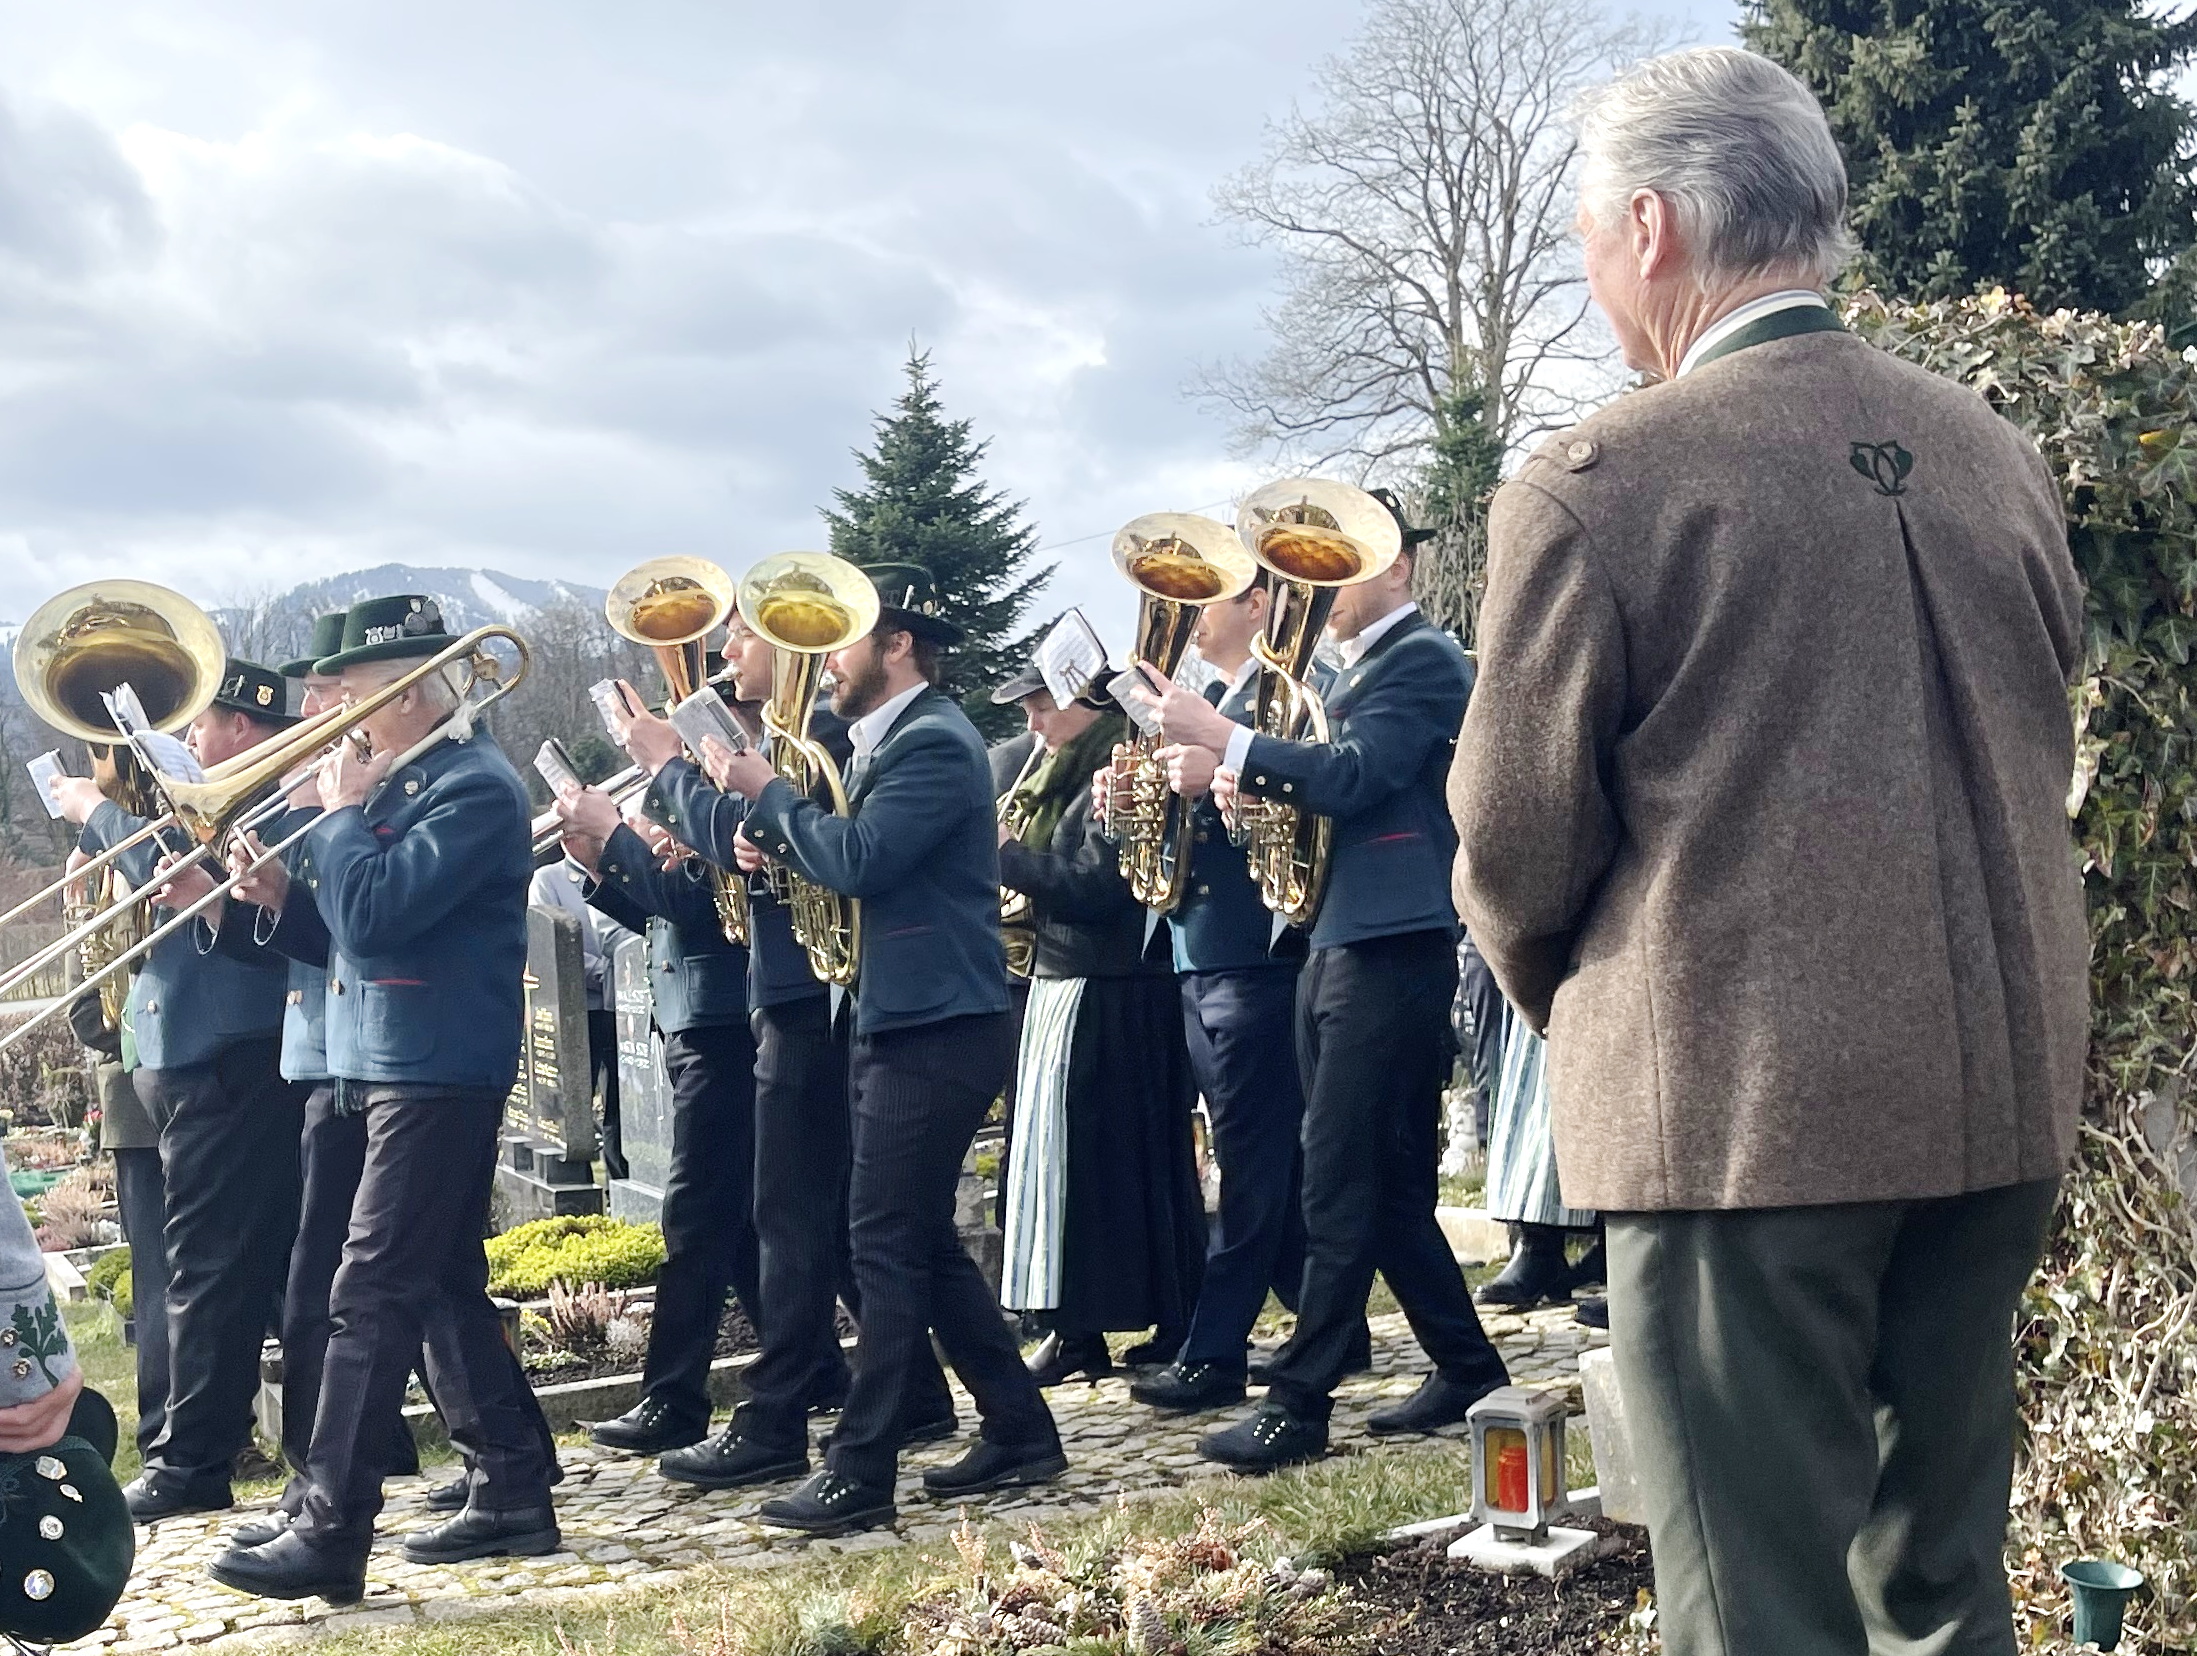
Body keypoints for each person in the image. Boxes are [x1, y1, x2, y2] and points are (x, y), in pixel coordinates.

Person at [1449, 48, 2087, 1656]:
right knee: (1943, 1597)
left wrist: (1590, 1013)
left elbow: (1513, 849)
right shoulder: (1992, 454)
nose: (1591, 276)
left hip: (1735, 1124)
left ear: (1650, 226)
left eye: (1587, 236)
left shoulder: (1603, 487)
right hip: (1995, 1110)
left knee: (1753, 1619)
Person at [209, 596, 560, 1603]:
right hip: (382, 1059)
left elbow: (377, 913)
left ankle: (333, 1527)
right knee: (438, 1282)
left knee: (369, 1291)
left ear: (408, 693)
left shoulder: (474, 787)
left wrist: (338, 817)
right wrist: (283, 899)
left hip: (436, 1062)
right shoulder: (408, 779)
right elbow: (349, 936)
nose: (335, 714)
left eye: (350, 693)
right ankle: (511, 1481)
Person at [1144, 506, 1510, 1472]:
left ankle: (1299, 1401)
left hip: (1392, 941)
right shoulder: (1346, 673)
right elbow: (1322, 794)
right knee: (1387, 1186)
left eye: (1336, 571)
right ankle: (1469, 1368)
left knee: (1335, 1173)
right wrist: (1242, 788)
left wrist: (1229, 742)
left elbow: (1356, 776)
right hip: (1335, 936)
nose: (1311, 596)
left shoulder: (1423, 660)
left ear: (1397, 570)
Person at [711, 564, 1063, 1535]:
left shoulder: (934, 740)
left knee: (882, 1242)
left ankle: (861, 1466)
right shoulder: (890, 740)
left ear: (898, 645)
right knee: (919, 1241)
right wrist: (775, 837)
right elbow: (843, 858)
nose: (824, 663)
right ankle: (1019, 1428)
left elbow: (862, 861)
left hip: (937, 1023)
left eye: (843, 643)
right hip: (900, 1017)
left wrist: (771, 801)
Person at [624, 605, 951, 1491]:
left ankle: (784, 1414)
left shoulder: (820, 738)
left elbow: (801, 845)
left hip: (812, 989)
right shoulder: (791, 740)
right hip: (790, 985)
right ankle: (942, 1399)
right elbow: (748, 849)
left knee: (801, 1217)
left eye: (742, 636)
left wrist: (669, 775)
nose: (726, 651)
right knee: (833, 1221)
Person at [52, 659, 308, 1522]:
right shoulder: (212, 798)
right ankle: (344, 1445)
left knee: (208, 1269)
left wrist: (97, 815)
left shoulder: (260, 798)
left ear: (242, 726)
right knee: (266, 1264)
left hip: (232, 1054)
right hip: (200, 1053)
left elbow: (188, 872)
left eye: (202, 723)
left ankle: (191, 1462)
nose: (191, 738)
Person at [1131, 575, 1312, 1414]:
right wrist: (1129, 804)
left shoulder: (1282, 699)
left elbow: (1304, 817)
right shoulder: (1202, 699)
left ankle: (1215, 1350)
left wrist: (1221, 776)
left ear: (1256, 606)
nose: (1188, 618)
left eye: (1208, 599)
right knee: (1267, 1155)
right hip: (1194, 950)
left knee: (1246, 1160)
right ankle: (1327, 1318)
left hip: (1255, 953)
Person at [555, 733, 764, 1458]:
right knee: (736, 1223)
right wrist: (600, 863)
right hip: (693, 1017)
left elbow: (697, 906)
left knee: (695, 1216)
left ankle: (674, 1397)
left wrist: (619, 836)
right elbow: (664, 912)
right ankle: (825, 1367)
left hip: (723, 1020)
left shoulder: (719, 784)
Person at [993, 671, 1203, 1387]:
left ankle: (1128, 1320)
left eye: (1042, 707)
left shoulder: (1118, 771)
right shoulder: (1057, 773)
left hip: (1110, 990)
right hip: (1066, 982)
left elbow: (1098, 887)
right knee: (1076, 1163)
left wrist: (1005, 854)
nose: (1033, 724)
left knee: (1103, 1163)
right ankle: (1083, 1324)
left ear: (1088, 707)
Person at [527, 855, 630, 1180]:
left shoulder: (621, 869)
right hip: (577, 1012)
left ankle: (620, 1181)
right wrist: (607, 973)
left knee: (619, 1106)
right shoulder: (548, 879)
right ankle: (576, 1177)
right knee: (575, 1104)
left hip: (622, 1008)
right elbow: (549, 944)